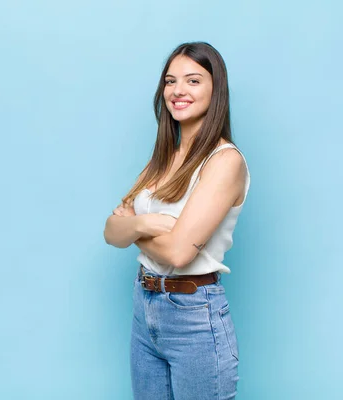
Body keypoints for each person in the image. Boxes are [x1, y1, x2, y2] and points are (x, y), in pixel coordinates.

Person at [103, 42, 250, 400]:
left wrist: (135, 224)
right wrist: (148, 225)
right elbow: (111, 231)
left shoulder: (223, 161)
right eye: (170, 81)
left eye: (193, 80)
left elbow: (179, 253)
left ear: (216, 91)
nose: (178, 90)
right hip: (145, 307)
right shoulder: (163, 158)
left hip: (194, 316)